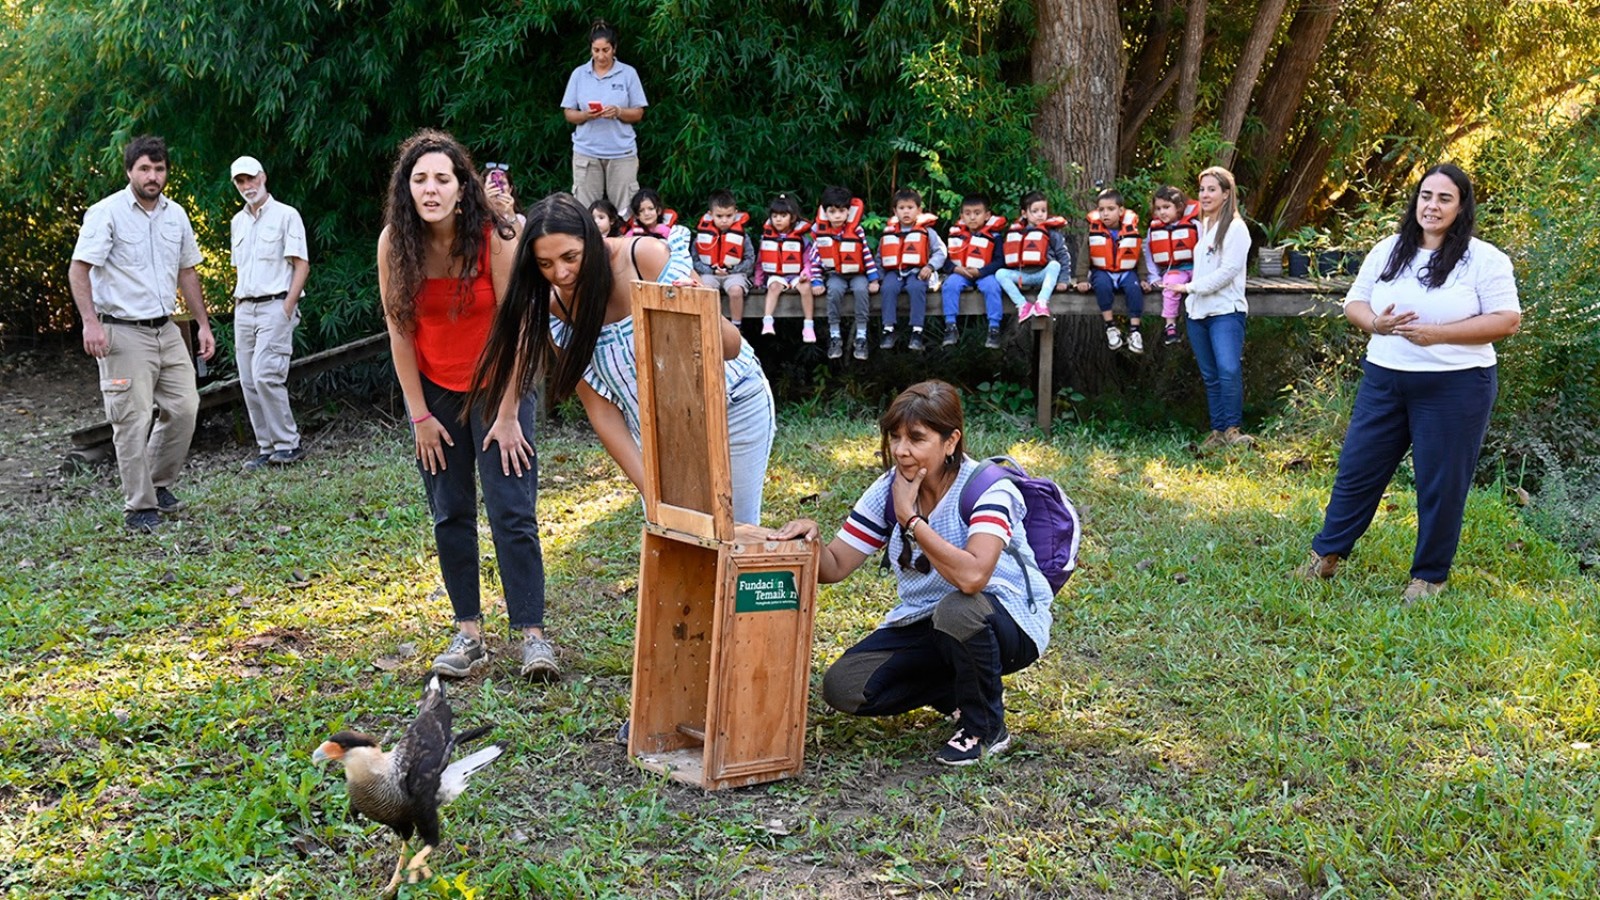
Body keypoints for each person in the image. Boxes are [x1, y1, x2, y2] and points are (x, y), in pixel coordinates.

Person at [769, 380, 1050, 766]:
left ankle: (985, 727)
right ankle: (959, 691)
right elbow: (835, 566)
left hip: (1006, 619)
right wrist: (810, 541)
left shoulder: (988, 488)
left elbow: (973, 578)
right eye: (895, 437)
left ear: (951, 441)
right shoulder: (889, 488)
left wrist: (911, 520)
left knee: (958, 608)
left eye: (917, 438)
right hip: (928, 622)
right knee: (845, 686)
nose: (901, 450)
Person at [473, 192, 776, 526]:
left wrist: (703, 308)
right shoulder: (557, 310)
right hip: (660, 433)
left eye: (570, 256)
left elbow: (731, 349)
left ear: (592, 238)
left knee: (734, 530)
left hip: (733, 406)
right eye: (545, 264)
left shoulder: (643, 257)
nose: (561, 273)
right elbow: (600, 409)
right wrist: (650, 491)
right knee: (681, 536)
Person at [375, 129, 555, 682]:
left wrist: (506, 415)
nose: (430, 189)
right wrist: (419, 417)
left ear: (461, 187)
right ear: (407, 190)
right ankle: (469, 634)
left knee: (511, 509)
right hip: (436, 392)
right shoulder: (393, 244)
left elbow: (521, 326)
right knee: (450, 512)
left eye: (442, 179)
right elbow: (399, 332)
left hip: (501, 384)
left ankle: (532, 636)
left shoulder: (495, 236)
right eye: (419, 179)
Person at [1303, 164, 1521, 602]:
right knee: (1357, 471)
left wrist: (1438, 334)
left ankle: (1429, 576)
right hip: (1385, 378)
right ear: (1415, 201)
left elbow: (1507, 320)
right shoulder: (1388, 249)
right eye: (1426, 196)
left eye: (1444, 198)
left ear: (1461, 208)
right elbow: (1355, 302)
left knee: (1440, 483)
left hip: (1455, 385)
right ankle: (1326, 554)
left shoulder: (1485, 259)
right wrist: (1376, 325)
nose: (1432, 206)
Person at [68, 135, 215, 532]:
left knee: (185, 408)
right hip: (121, 331)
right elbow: (79, 269)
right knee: (131, 420)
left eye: (160, 168)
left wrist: (202, 323)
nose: (153, 176)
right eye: (145, 169)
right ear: (130, 170)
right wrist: (91, 322)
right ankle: (139, 507)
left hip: (165, 328)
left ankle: (158, 483)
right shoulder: (107, 213)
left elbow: (187, 271)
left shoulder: (176, 215)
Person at [228, 155, 310, 470]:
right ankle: (267, 447)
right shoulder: (238, 222)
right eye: (240, 181)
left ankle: (289, 444)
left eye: (251, 178)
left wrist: (287, 307)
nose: (247, 185)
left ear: (263, 176)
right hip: (244, 307)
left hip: (276, 304)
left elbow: (301, 264)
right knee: (249, 380)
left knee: (266, 374)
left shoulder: (286, 215)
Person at [1168, 167, 1253, 447]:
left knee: (1228, 369)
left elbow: (1228, 271)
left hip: (1225, 312)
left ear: (1227, 194)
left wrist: (1189, 287)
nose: (1205, 194)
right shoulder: (1204, 228)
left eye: (1212, 189)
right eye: (1202, 189)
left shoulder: (1236, 228)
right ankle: (1217, 432)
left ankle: (1233, 430)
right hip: (1198, 312)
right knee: (1210, 375)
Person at [560, 19, 647, 216]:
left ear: (614, 48)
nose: (601, 56)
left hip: (621, 152)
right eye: (596, 50)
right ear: (590, 49)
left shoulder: (628, 74)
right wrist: (585, 115)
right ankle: (588, 246)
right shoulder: (579, 74)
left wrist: (618, 112)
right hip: (586, 151)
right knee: (585, 212)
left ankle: (624, 246)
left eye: (605, 50)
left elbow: (639, 113)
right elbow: (568, 113)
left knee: (626, 211)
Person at [811, 186, 880, 360]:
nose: (837, 216)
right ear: (825, 213)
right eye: (832, 211)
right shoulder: (821, 234)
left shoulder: (856, 231)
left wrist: (873, 279)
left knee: (860, 289)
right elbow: (815, 259)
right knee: (833, 290)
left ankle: (861, 335)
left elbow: (866, 256)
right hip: (835, 274)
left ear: (848, 212)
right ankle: (835, 335)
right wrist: (817, 281)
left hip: (858, 274)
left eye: (841, 211)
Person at [1074, 188, 1145, 354]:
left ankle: (1135, 330)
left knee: (1135, 289)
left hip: (1126, 272)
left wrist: (1143, 277)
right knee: (1102, 286)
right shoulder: (1094, 232)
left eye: (1110, 209)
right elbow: (1085, 257)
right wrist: (1082, 279)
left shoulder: (1131, 231)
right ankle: (1110, 327)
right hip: (1102, 270)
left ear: (1121, 210)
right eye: (1101, 210)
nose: (1105, 213)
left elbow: (1139, 256)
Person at [877, 188, 947, 352]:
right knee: (888, 287)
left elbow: (941, 252)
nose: (906, 212)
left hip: (918, 272)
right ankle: (888, 329)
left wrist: (930, 266)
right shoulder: (888, 233)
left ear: (919, 210)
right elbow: (879, 257)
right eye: (901, 208)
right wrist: (876, 279)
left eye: (910, 208)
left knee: (916, 288)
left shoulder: (927, 232)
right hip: (894, 272)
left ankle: (917, 331)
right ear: (895, 211)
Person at [941, 194, 1008, 349]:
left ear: (987, 215)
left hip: (984, 274)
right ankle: (950, 326)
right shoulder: (955, 235)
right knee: (950, 285)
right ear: (962, 216)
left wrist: (981, 271)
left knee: (992, 287)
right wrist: (955, 269)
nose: (972, 217)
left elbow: (1000, 261)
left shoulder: (994, 236)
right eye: (967, 213)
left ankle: (994, 328)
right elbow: (944, 259)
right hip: (960, 273)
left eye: (977, 213)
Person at [996, 191, 1070, 324]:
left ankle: (1041, 302)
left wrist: (1063, 280)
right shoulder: (1016, 232)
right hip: (1022, 276)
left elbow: (1063, 256)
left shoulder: (1051, 233)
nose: (1040, 214)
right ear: (1024, 213)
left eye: (1043, 210)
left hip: (1043, 275)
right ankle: (1023, 305)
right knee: (1000, 274)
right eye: (1035, 211)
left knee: (1055, 265)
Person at [754, 192, 819, 342]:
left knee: (805, 287)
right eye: (775, 216)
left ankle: (808, 325)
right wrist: (758, 280)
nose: (778, 219)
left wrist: (805, 274)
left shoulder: (802, 239)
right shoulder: (766, 238)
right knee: (774, 287)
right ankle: (768, 321)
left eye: (783, 216)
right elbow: (760, 262)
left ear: (793, 218)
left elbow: (808, 260)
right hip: (776, 275)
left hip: (797, 275)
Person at [1142, 185, 1199, 346]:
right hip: (1175, 270)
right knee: (1170, 288)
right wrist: (1153, 277)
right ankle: (1170, 325)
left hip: (1197, 269)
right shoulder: (1153, 230)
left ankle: (1204, 321)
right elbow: (1149, 256)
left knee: (1202, 289)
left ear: (1179, 207)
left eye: (1167, 207)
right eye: (1158, 208)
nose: (1162, 212)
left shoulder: (1194, 225)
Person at [693, 189, 756, 328]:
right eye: (719, 216)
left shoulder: (742, 236)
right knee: (705, 289)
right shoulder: (702, 236)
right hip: (709, 273)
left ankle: (736, 327)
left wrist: (733, 270)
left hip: (734, 273)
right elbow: (694, 260)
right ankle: (709, 325)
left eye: (729, 216)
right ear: (710, 215)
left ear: (736, 213)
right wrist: (710, 270)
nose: (724, 220)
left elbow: (750, 260)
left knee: (736, 291)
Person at [622, 188, 694, 283]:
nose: (646, 213)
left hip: (665, 272)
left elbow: (679, 254)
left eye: (650, 209)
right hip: (640, 274)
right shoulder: (631, 234)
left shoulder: (669, 232)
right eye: (641, 210)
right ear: (637, 215)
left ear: (659, 210)